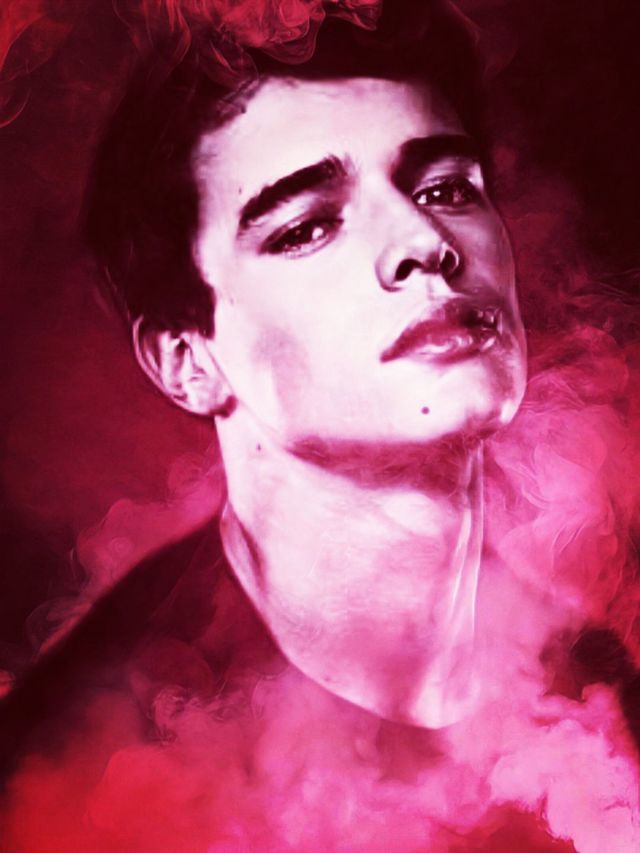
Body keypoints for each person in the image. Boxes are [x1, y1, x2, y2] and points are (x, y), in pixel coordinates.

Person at [0, 1, 637, 850]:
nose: (423, 241)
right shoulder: (76, 774)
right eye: (307, 228)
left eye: (448, 189)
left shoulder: (604, 690)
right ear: (188, 359)